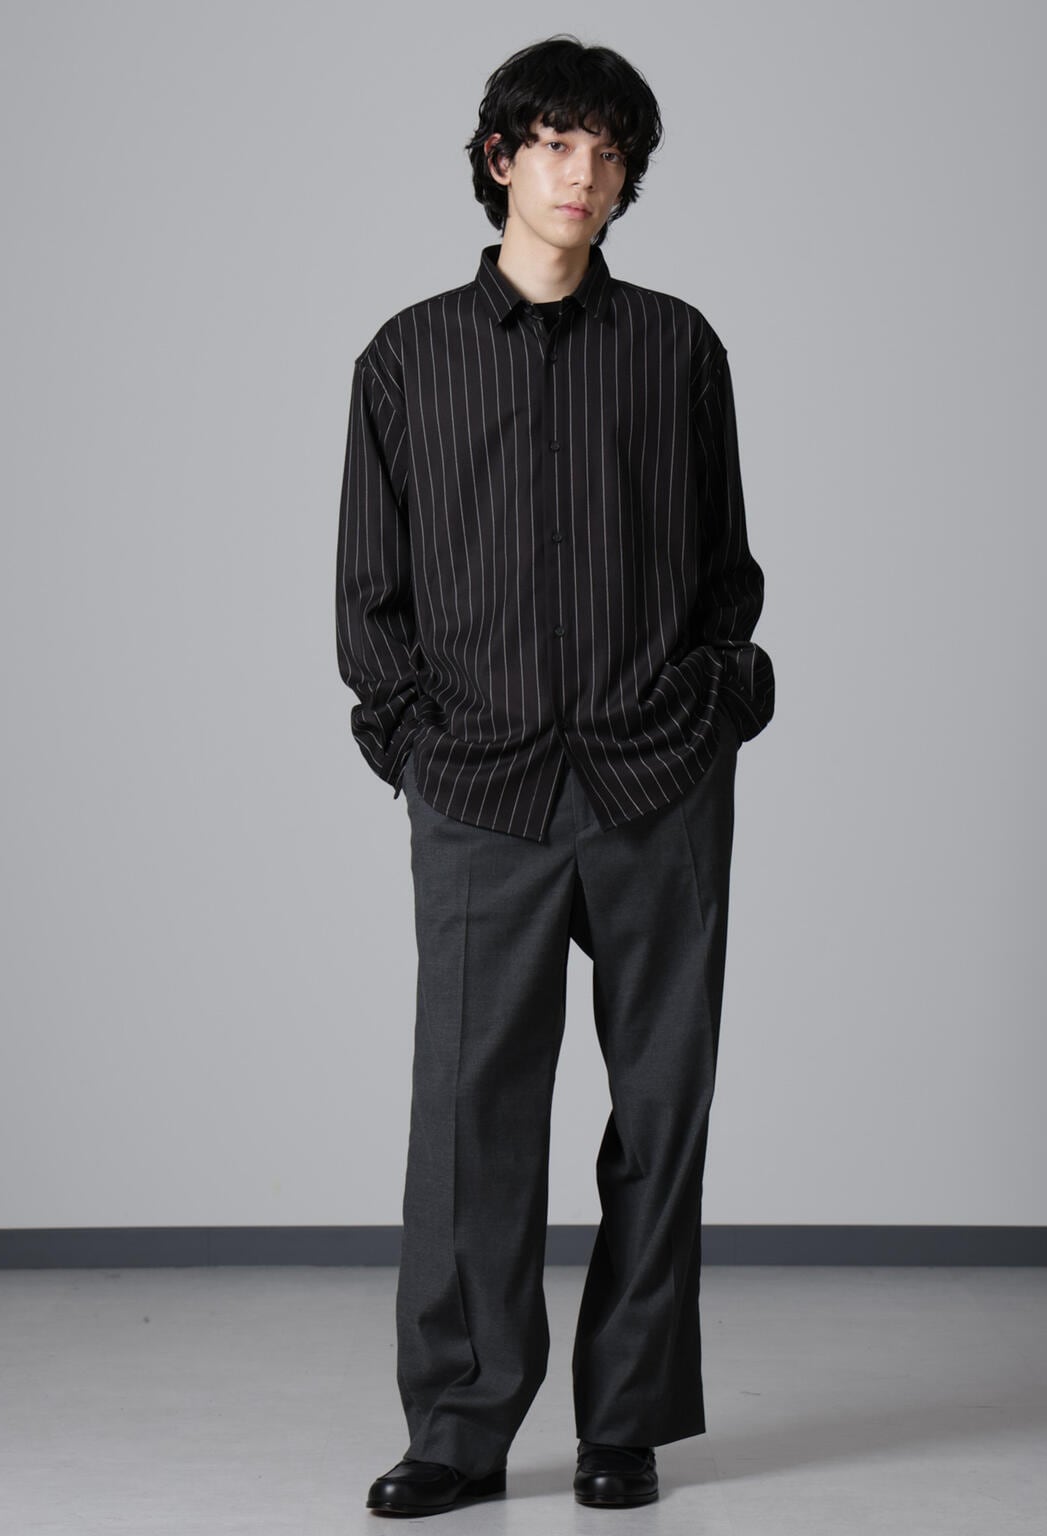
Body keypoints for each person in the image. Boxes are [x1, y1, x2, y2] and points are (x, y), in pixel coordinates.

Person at [335, 33, 775, 1517]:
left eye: (608, 149)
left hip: (660, 779)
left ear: (627, 175)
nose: (582, 172)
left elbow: (725, 570)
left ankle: (623, 1425)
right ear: (500, 159)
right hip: (483, 794)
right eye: (555, 143)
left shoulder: (679, 349)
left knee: (660, 1112)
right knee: (471, 1121)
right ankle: (460, 1430)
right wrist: (416, 748)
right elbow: (370, 595)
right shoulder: (405, 360)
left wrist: (716, 702)